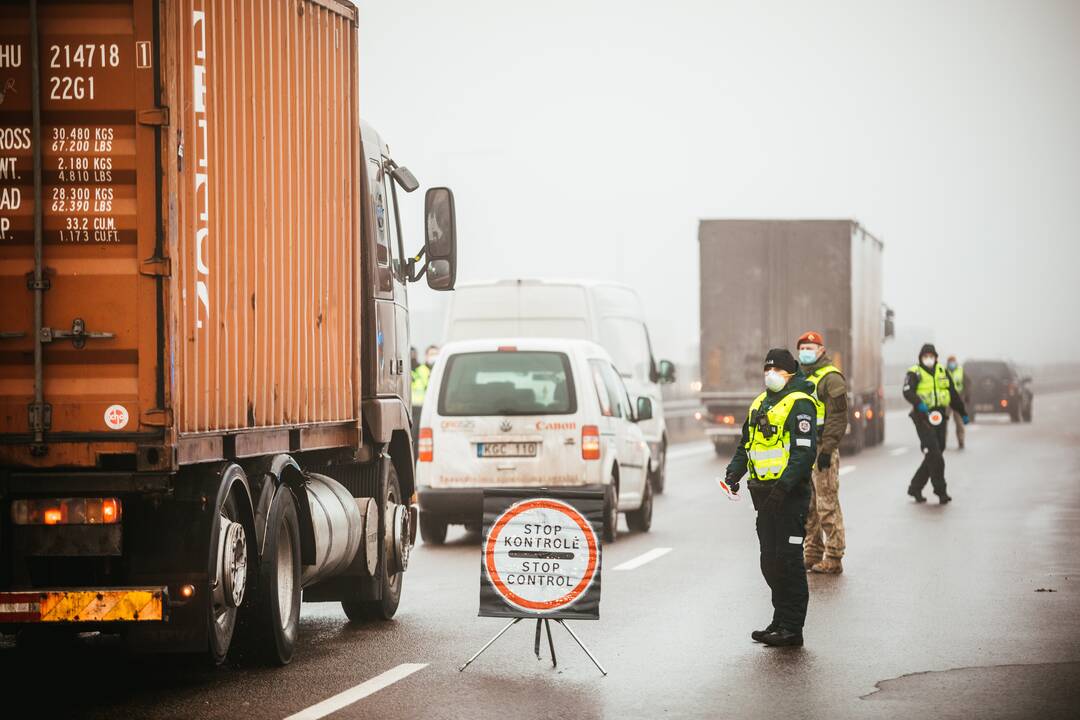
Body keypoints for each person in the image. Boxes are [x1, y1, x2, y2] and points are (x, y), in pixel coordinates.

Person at [725, 349, 817, 647]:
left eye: (776, 369)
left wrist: (783, 489)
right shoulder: (760, 403)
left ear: (790, 372)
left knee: (789, 561)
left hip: (789, 496)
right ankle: (779, 620)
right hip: (763, 497)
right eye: (767, 369)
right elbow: (745, 445)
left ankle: (793, 628)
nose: (771, 374)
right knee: (770, 561)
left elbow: (803, 454)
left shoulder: (801, 403)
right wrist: (732, 475)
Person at [796, 331, 848, 575]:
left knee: (826, 503)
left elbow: (837, 417)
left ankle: (834, 555)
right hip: (804, 448)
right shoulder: (799, 377)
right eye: (802, 347)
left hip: (822, 447)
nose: (805, 351)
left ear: (821, 350)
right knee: (808, 504)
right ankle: (812, 552)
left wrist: (827, 449)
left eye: (810, 347)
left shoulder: (831, 378)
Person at [903, 344, 968, 504]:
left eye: (931, 356)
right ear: (921, 358)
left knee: (938, 451)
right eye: (925, 356)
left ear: (936, 357)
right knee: (935, 455)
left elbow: (952, 394)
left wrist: (963, 412)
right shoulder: (914, 372)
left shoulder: (942, 371)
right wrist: (918, 403)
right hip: (923, 416)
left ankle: (915, 487)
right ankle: (941, 491)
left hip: (940, 415)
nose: (929, 359)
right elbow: (907, 391)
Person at [945, 355, 968, 450]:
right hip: (946, 400)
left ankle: (961, 441)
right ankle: (942, 442)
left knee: (959, 422)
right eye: (950, 362)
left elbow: (967, 384)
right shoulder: (943, 372)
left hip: (958, 400)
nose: (952, 364)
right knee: (943, 422)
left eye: (953, 361)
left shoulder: (961, 371)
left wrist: (966, 396)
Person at [410, 347, 430, 434]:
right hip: (408, 406)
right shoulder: (404, 369)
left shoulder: (424, 369)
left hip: (420, 405)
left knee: (417, 431)